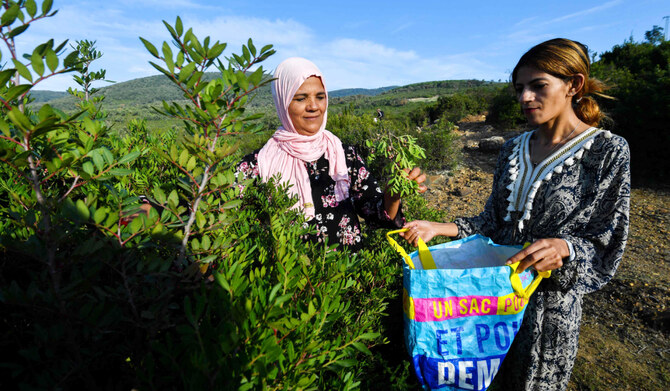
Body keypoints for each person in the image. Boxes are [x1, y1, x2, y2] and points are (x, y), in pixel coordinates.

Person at [401, 38, 630, 390]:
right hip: (489, 304)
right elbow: (491, 223)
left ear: (574, 85)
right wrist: (437, 227)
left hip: (546, 314)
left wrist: (564, 249)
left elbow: (607, 240)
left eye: (538, 86)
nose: (525, 98)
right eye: (520, 88)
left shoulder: (607, 151)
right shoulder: (512, 149)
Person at [236, 57, 426, 252]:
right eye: (301, 98)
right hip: (285, 279)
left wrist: (392, 196)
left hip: (348, 278)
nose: (313, 106)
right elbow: (230, 232)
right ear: (283, 102)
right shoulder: (257, 166)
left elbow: (376, 213)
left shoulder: (344, 156)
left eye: (320, 96)